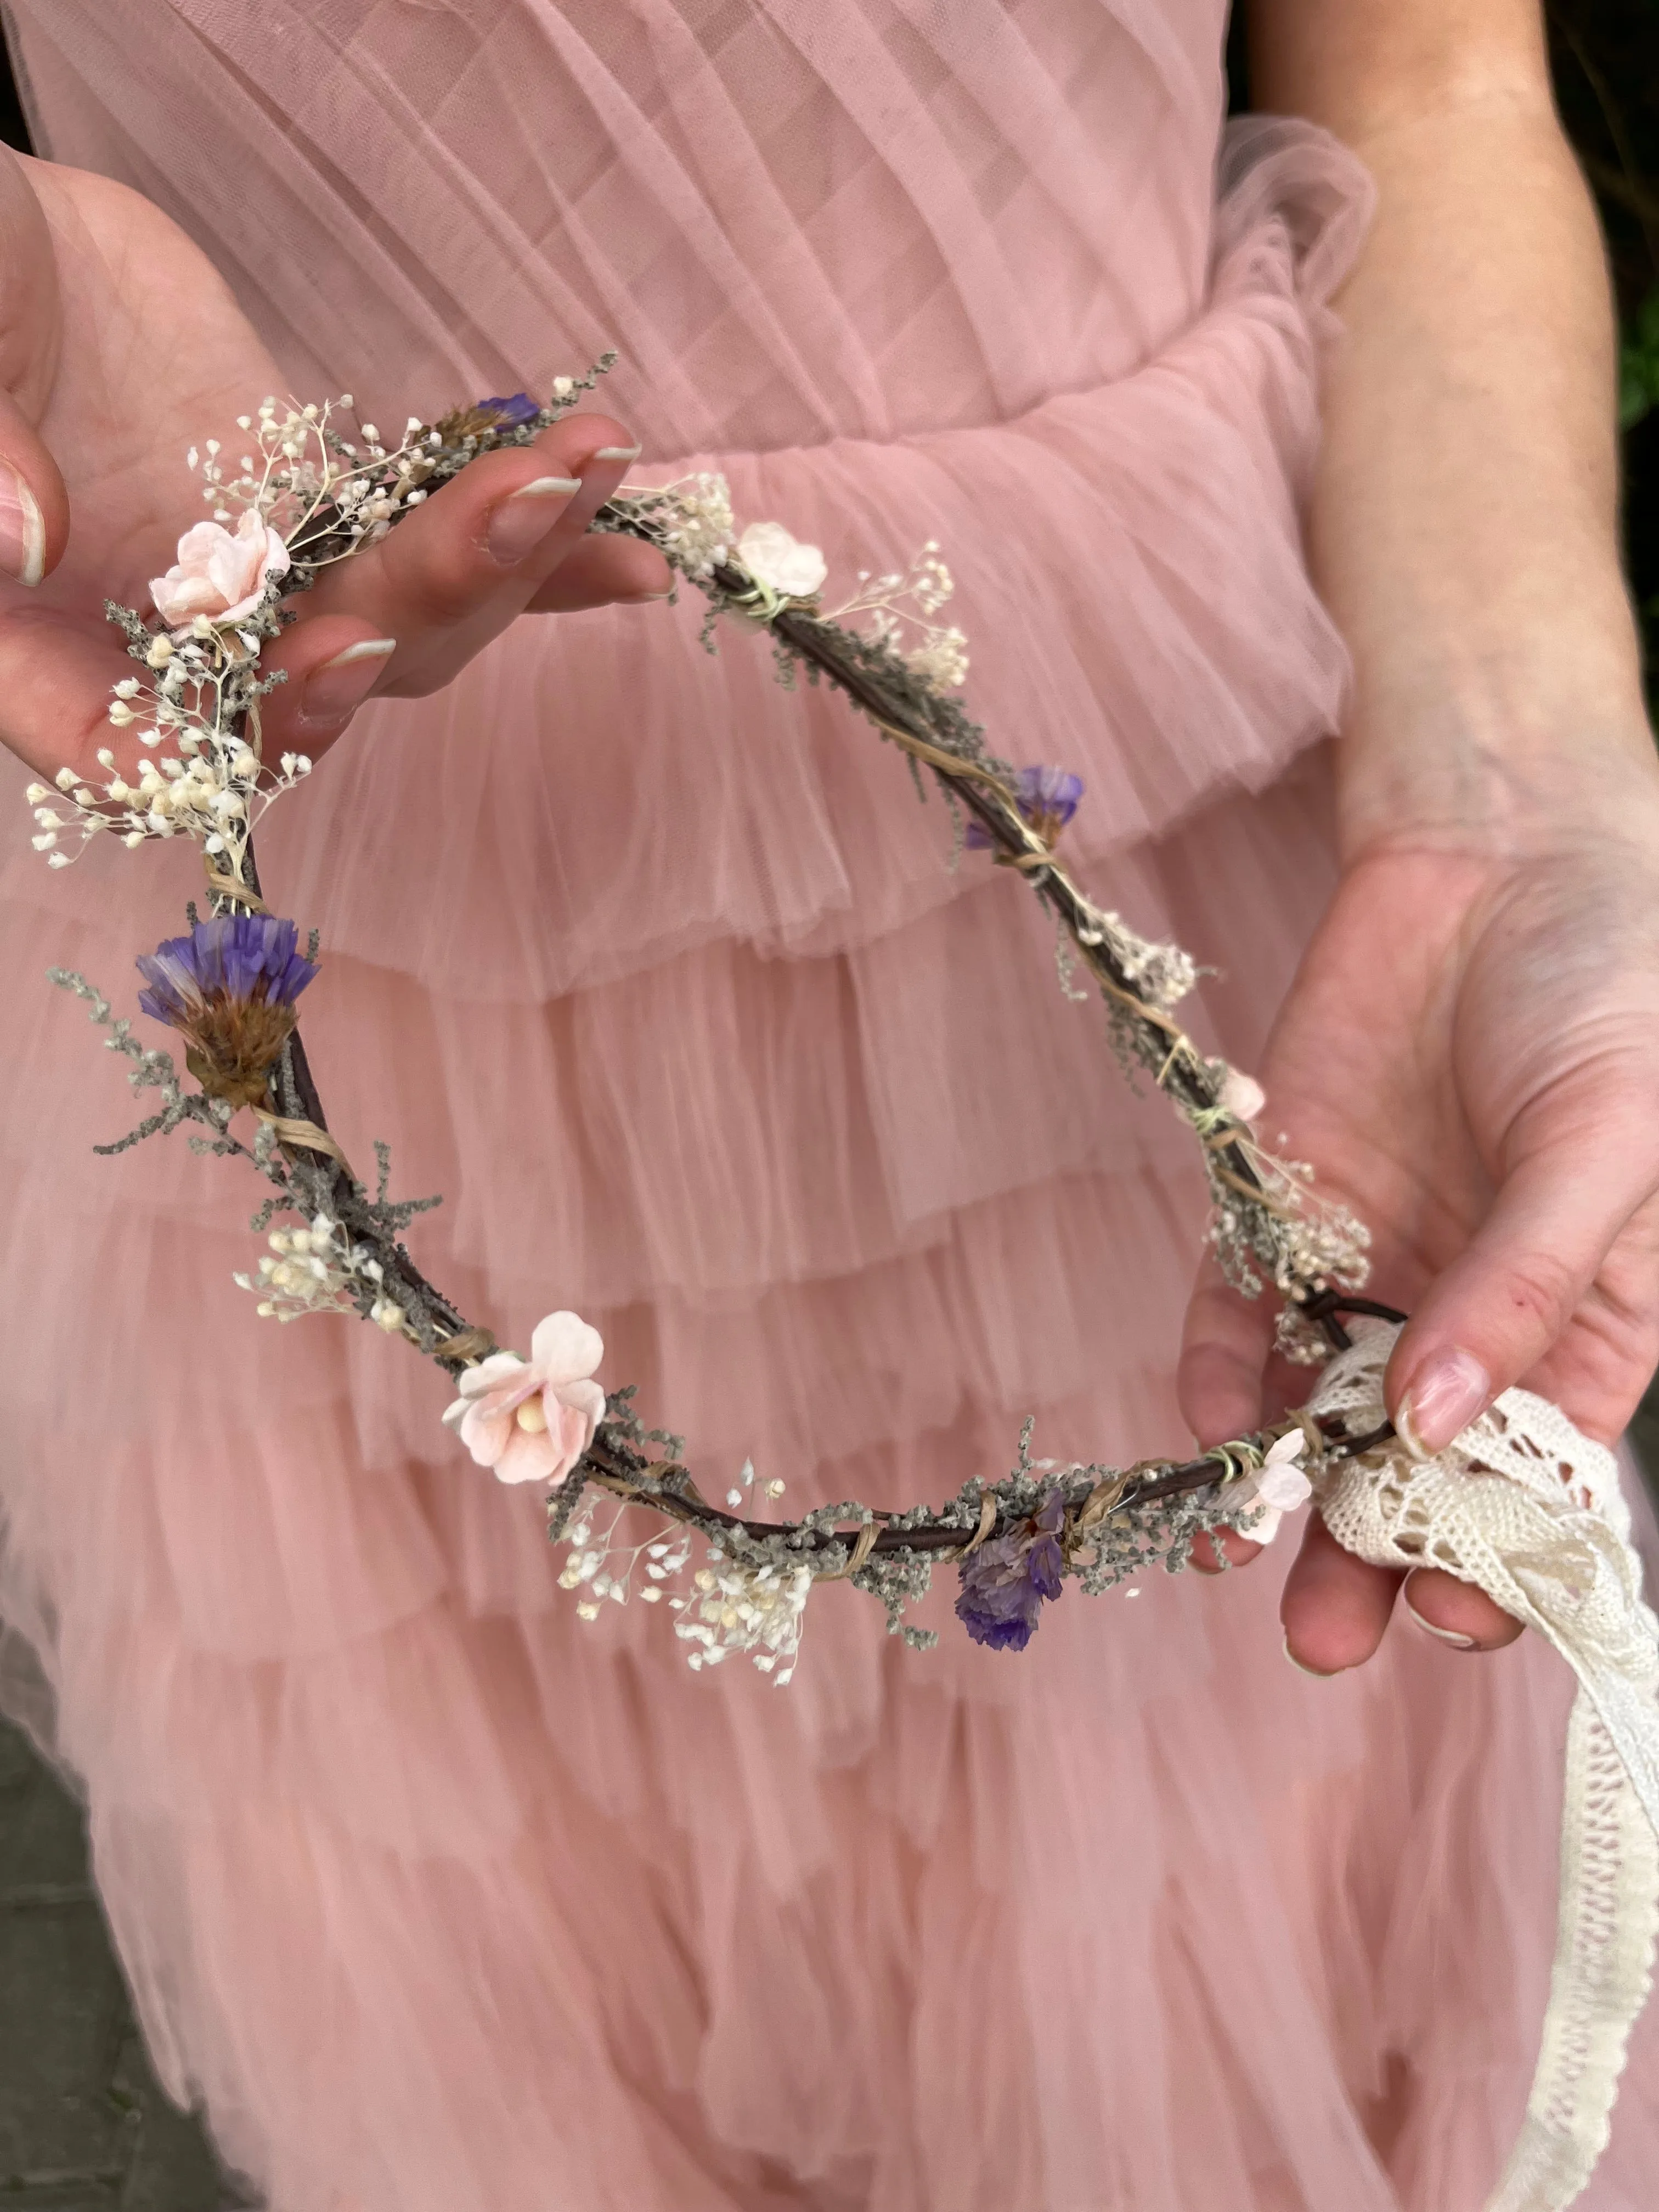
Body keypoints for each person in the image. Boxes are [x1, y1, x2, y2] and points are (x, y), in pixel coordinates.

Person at [0, 0, 1653, 2205]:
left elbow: (1427, 76)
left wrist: (1515, 806)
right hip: (355, 949)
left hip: (1192, 944)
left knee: (1244, 1962)